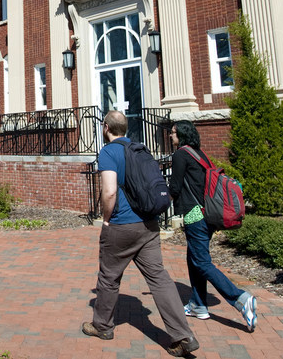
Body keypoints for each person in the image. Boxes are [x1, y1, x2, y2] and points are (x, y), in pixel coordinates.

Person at [82, 110, 199, 357]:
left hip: (122, 226)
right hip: (149, 224)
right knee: (159, 278)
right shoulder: (140, 149)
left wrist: (105, 220)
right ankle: (183, 335)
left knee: (109, 276)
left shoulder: (109, 152)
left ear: (106, 128)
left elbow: (110, 191)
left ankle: (102, 326)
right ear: (125, 129)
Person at [167, 120, 257, 332]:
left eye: (173, 133)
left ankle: (241, 298)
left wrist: (157, 203)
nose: (171, 136)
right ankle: (199, 304)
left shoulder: (181, 154)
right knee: (193, 259)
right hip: (208, 214)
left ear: (182, 135)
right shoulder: (200, 154)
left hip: (195, 215)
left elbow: (175, 187)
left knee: (202, 262)